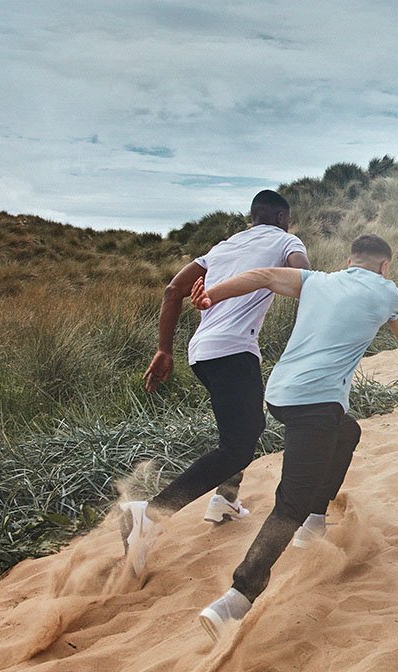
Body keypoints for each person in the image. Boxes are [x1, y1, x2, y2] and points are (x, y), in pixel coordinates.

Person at [191, 233, 398, 641]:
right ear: (384, 265)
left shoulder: (317, 281)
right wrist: (385, 314)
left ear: (350, 261)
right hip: (317, 403)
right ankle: (238, 596)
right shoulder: (387, 289)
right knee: (288, 504)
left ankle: (315, 520)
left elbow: (259, 276)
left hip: (279, 396)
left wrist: (212, 296)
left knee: (348, 432)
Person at [125, 190, 309, 577]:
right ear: (279, 216)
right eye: (287, 219)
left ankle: (225, 500)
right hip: (234, 352)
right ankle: (151, 513)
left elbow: (173, 290)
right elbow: (303, 278)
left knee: (243, 429)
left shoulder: (224, 246)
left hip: (201, 354)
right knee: (238, 445)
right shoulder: (286, 240)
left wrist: (163, 350)